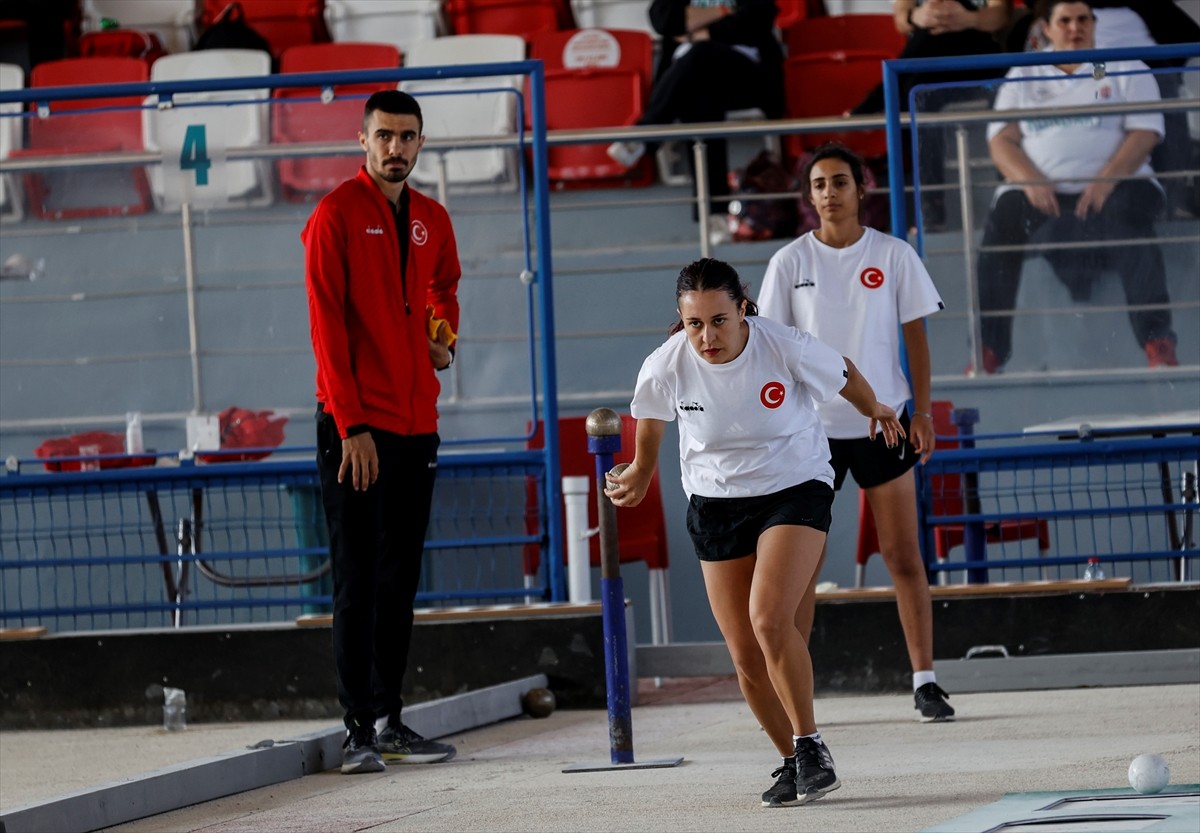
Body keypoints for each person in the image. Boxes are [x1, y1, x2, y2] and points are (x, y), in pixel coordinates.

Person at [606, 257, 904, 806]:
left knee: (769, 620)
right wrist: (640, 474)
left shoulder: (780, 343)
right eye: (695, 323)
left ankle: (812, 744)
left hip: (794, 485)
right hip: (716, 503)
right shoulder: (666, 363)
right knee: (744, 654)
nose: (707, 336)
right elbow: (648, 424)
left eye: (719, 320)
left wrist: (876, 409)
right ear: (681, 319)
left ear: (742, 308)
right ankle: (792, 759)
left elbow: (843, 373)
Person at [757, 142, 956, 724]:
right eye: (819, 184)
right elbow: (775, 349)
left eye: (839, 181)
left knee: (901, 553)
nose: (829, 193)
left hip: (884, 423)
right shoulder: (790, 263)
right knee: (805, 566)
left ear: (860, 188)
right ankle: (796, 693)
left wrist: (920, 411)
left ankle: (925, 680)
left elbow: (916, 338)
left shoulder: (893, 255)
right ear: (808, 195)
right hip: (812, 435)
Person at [302, 89, 461, 774]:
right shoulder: (334, 214)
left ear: (421, 144)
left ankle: (392, 717)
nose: (397, 148)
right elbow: (327, 330)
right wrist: (351, 424)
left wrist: (443, 336)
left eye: (408, 137)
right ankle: (356, 728)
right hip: (356, 429)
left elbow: (445, 287)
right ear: (362, 141)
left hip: (416, 424)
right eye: (385, 136)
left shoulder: (430, 217)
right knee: (358, 579)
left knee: (399, 580)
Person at [976, 0, 1178, 373]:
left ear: (1094, 24)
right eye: (1064, 21)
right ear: (1047, 29)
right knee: (1002, 222)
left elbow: (1145, 132)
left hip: (1121, 183)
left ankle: (1158, 343)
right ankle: (989, 352)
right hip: (1039, 190)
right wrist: (1031, 181)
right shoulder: (1024, 73)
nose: (1075, 27)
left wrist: (1105, 182)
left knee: (1125, 215)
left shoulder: (1124, 64)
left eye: (1083, 19)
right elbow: (1001, 140)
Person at [606, 0, 785, 243]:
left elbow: (757, 18)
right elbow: (663, 19)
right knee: (698, 96)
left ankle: (643, 136)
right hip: (692, 80)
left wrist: (699, 28)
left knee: (701, 52)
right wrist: (725, 11)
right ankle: (714, 212)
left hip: (746, 73)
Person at [850, 1, 1015, 229]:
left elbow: (1000, 16)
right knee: (916, 93)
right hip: (931, 66)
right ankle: (931, 204)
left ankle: (879, 96)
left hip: (978, 56)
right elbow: (901, 19)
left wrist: (967, 19)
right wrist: (919, 16)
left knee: (922, 52)